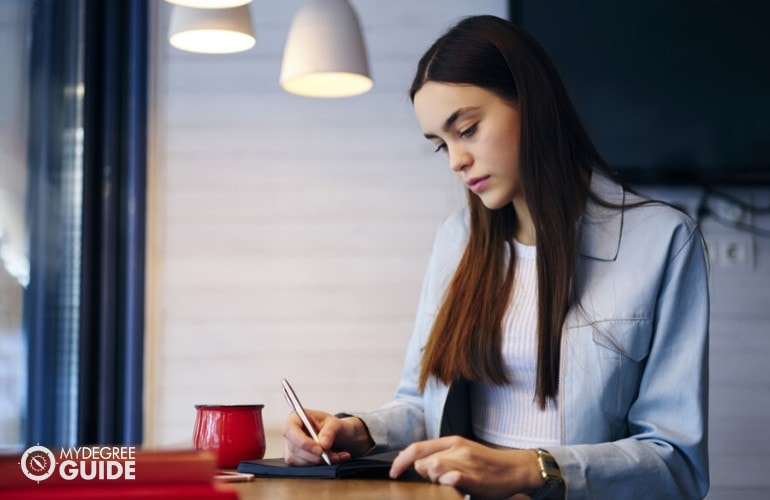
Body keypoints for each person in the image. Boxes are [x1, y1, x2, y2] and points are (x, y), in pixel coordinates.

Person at [282, 14, 709, 500]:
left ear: (532, 103)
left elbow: (676, 463)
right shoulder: (458, 238)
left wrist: (529, 469)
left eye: (466, 129)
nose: (455, 160)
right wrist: (355, 430)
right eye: (441, 145)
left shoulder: (662, 240)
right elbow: (424, 407)